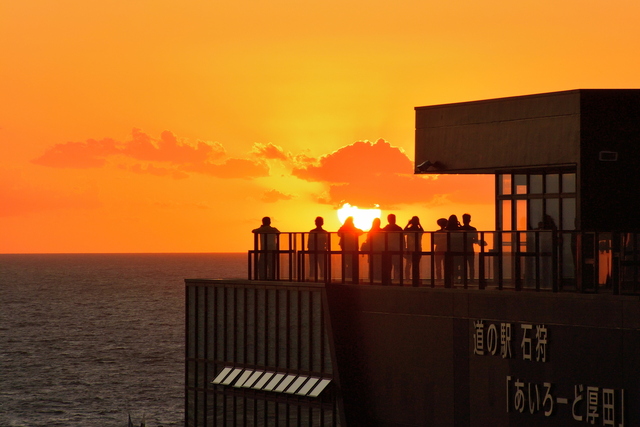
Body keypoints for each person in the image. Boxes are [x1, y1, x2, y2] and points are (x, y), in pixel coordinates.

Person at [337, 216, 363, 282]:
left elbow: (338, 233)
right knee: (351, 264)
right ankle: (350, 276)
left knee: (346, 263)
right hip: (352, 248)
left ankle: (346, 276)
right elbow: (361, 232)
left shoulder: (343, 227)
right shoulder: (352, 228)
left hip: (345, 249)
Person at [382, 214, 404, 282]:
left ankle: (388, 280)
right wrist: (403, 248)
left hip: (388, 250)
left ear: (388, 220)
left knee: (388, 266)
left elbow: (382, 239)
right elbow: (402, 240)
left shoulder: (385, 229)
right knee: (397, 266)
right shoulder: (399, 229)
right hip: (397, 250)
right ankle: (398, 280)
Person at [362, 218, 384, 282]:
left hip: (372, 251)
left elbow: (368, 240)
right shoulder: (381, 231)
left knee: (372, 265)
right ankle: (378, 278)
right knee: (379, 265)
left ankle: (372, 278)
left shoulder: (370, 231)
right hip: (379, 251)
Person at [308, 216, 329, 280]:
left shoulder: (312, 232)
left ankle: (312, 279)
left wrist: (310, 250)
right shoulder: (325, 232)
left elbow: (309, 242)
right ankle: (323, 279)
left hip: (313, 250)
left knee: (312, 266)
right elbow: (327, 242)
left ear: (315, 223)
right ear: (322, 223)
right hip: (322, 250)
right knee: (322, 266)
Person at [404, 216, 424, 282]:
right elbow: (422, 231)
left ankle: (407, 278)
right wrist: (419, 224)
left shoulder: (409, 229)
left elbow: (403, 232)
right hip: (418, 249)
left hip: (410, 249)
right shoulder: (419, 229)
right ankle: (416, 278)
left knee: (408, 264)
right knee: (416, 265)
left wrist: (408, 224)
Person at [445, 214, 463, 286]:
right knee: (459, 264)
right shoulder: (459, 229)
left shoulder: (447, 229)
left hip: (450, 249)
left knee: (451, 265)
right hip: (459, 249)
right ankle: (460, 278)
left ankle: (452, 278)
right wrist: (460, 225)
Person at [460, 213, 478, 281]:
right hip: (470, 248)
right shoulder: (473, 229)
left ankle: (463, 279)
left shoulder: (460, 229)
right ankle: (472, 279)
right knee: (471, 265)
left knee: (462, 265)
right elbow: (476, 239)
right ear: (470, 220)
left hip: (462, 249)